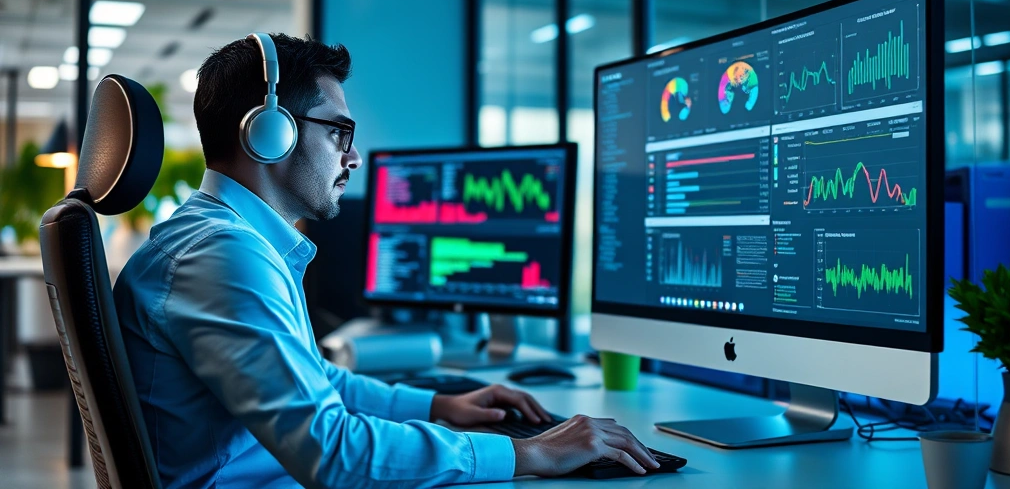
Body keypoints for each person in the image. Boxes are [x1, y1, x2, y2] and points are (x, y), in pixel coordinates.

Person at [113, 33, 659, 488]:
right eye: (339, 132)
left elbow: (316, 382)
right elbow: (333, 454)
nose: (352, 156)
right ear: (269, 133)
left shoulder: (218, 241)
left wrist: (439, 406)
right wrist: (533, 455)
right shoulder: (222, 255)